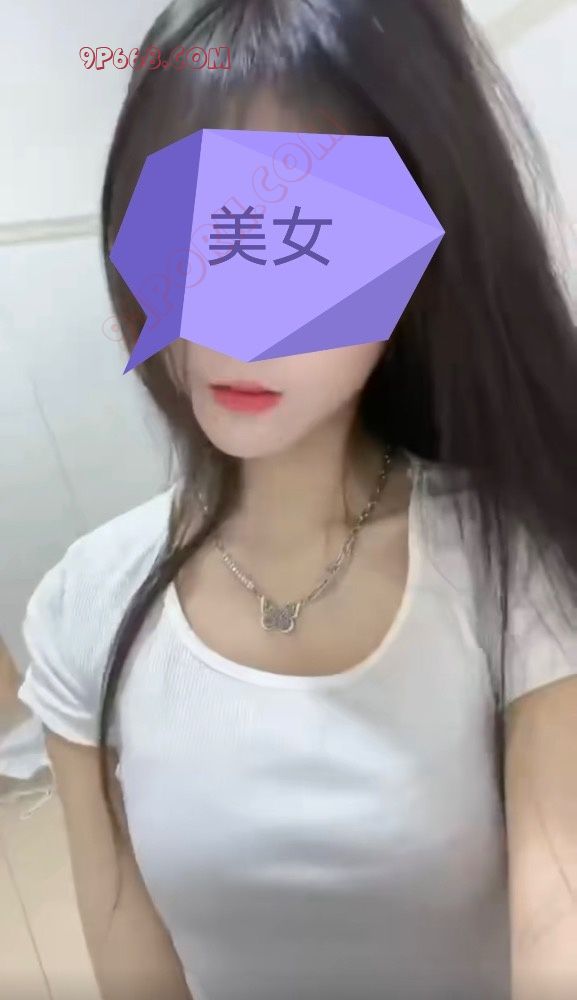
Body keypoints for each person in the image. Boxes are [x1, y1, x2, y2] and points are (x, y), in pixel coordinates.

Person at [18, 1, 577, 999]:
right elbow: (127, 944)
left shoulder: (511, 561)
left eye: (310, 240)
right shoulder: (83, 607)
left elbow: (558, 921)